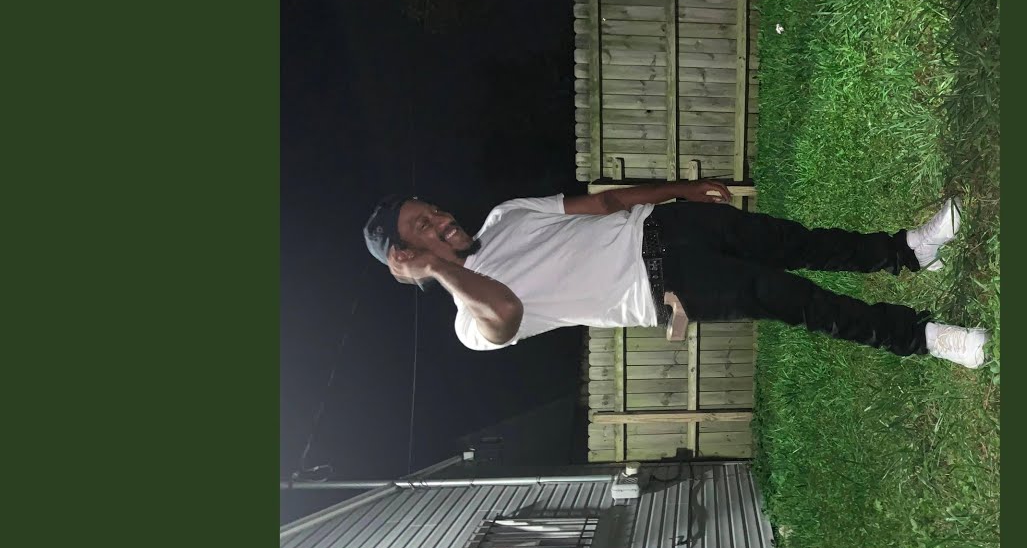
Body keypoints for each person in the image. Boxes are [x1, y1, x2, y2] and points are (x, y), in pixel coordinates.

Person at [362, 180, 990, 368]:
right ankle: (925, 337)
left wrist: (680, 189)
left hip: (668, 225)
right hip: (665, 288)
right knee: (796, 300)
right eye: (422, 226)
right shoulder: (468, 323)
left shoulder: (505, 214)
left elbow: (603, 203)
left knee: (795, 241)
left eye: (430, 208)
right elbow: (506, 312)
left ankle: (909, 251)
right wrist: (438, 270)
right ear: (406, 259)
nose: (439, 216)